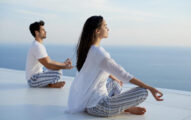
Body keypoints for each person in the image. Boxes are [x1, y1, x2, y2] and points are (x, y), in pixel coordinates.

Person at [67, 16, 163, 117]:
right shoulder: (99, 53)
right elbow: (123, 74)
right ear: (97, 31)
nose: (108, 29)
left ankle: (120, 107)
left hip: (87, 100)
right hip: (99, 107)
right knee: (143, 92)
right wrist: (149, 87)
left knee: (115, 83)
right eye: (105, 26)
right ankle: (125, 108)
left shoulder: (88, 49)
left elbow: (95, 70)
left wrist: (112, 76)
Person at [25, 20, 73, 88]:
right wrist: (65, 66)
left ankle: (49, 84)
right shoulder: (37, 46)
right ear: (36, 32)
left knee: (57, 69)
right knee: (58, 73)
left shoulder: (38, 45)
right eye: (43, 30)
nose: (45, 31)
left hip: (38, 75)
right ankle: (50, 85)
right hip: (33, 80)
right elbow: (48, 65)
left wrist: (64, 64)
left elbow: (50, 61)